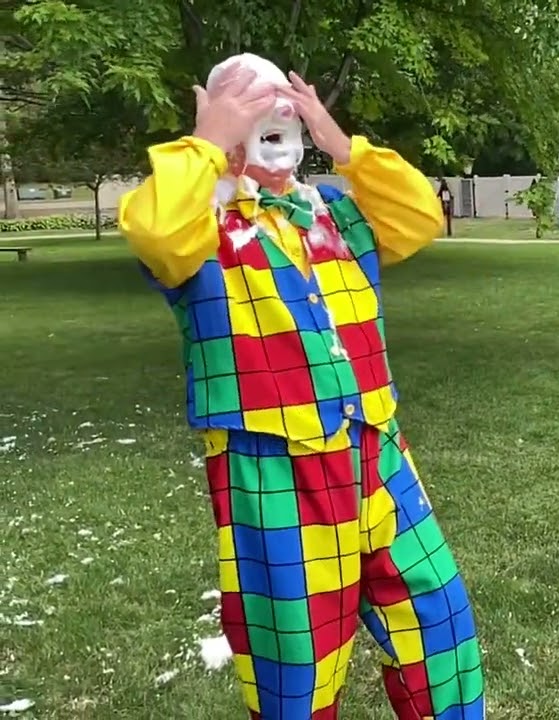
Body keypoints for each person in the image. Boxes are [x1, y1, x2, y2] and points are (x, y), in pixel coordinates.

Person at [117, 53, 484, 719]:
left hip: (378, 451)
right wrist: (206, 143)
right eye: (251, 112)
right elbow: (155, 231)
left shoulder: (338, 210)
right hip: (274, 472)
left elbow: (420, 216)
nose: (274, 123)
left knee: (440, 623)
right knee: (298, 667)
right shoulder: (200, 225)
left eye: (283, 110)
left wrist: (341, 144)